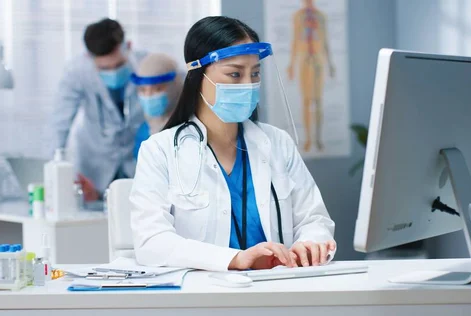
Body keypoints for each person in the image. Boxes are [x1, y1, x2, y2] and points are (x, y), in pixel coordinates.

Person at [129, 16, 336, 272]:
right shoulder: (159, 151)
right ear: (198, 74)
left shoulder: (277, 143)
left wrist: (310, 243)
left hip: (279, 291)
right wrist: (234, 259)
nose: (248, 85)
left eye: (255, 73)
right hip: (203, 299)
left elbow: (314, 219)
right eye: (235, 74)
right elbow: (151, 242)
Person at [51, 18, 146, 201]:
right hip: (94, 166)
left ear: (128, 46)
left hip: (136, 162)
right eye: (104, 68)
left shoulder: (147, 65)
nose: (112, 72)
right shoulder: (76, 73)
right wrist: (56, 175)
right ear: (89, 56)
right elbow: (58, 124)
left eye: (118, 65)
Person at [287, 0, 336, 152]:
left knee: (318, 100)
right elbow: (295, 40)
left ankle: (318, 139)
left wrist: (330, 64)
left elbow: (325, 41)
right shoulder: (298, 17)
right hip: (304, 59)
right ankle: (308, 139)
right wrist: (291, 64)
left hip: (318, 59)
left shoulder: (321, 17)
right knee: (307, 100)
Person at [131, 53, 184, 159]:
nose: (148, 96)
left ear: (174, 87)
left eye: (157, 89)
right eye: (143, 90)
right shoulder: (144, 131)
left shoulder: (191, 127)